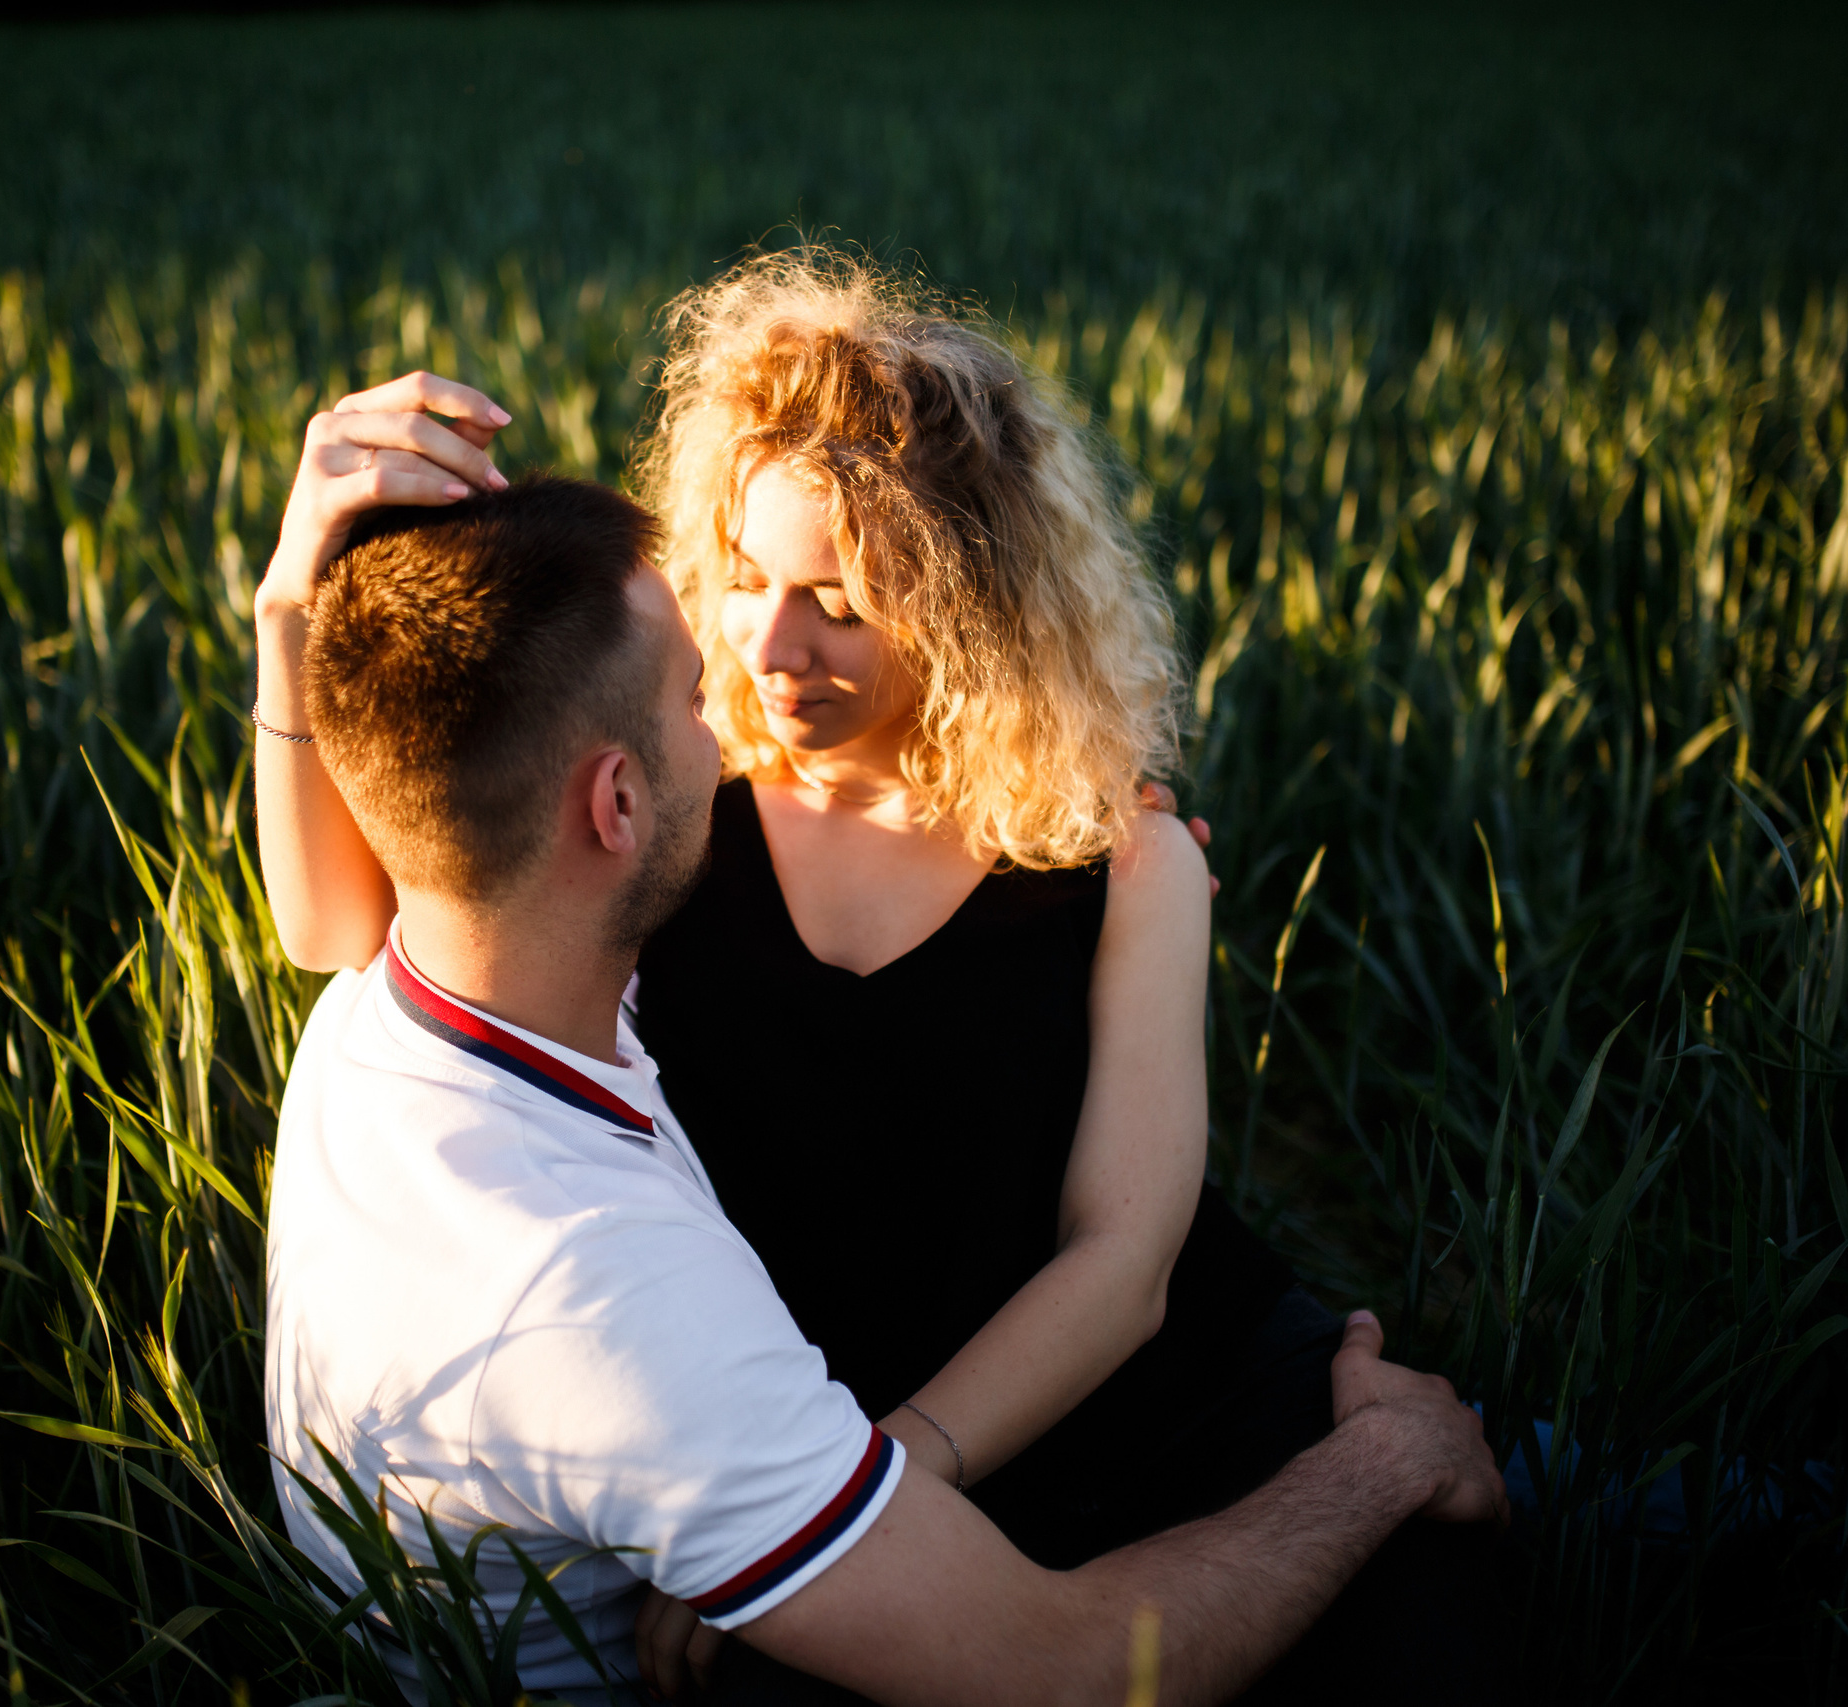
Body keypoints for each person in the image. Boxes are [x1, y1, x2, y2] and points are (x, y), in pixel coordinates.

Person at [253, 251, 1503, 1700]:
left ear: (968, 607)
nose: (772, 650)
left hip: (1098, 1407)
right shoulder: (665, 806)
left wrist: (906, 1454)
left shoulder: (1120, 861)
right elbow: (342, 932)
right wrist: (289, 621)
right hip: (800, 1442)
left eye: (838, 603)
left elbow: (1128, 1260)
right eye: (739, 581)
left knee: (1456, 1617)